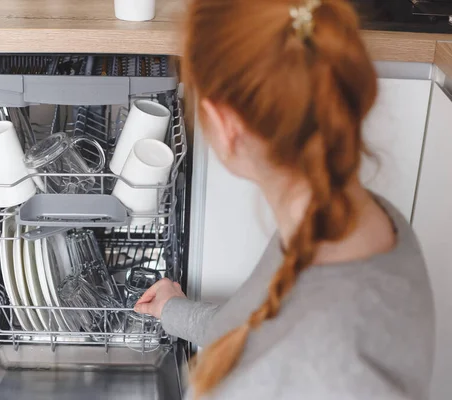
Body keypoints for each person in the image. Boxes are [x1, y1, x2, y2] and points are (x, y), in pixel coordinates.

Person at [134, 0, 435, 399]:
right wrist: (175, 312)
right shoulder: (357, 219)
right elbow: (257, 325)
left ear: (225, 126)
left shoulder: (302, 370)